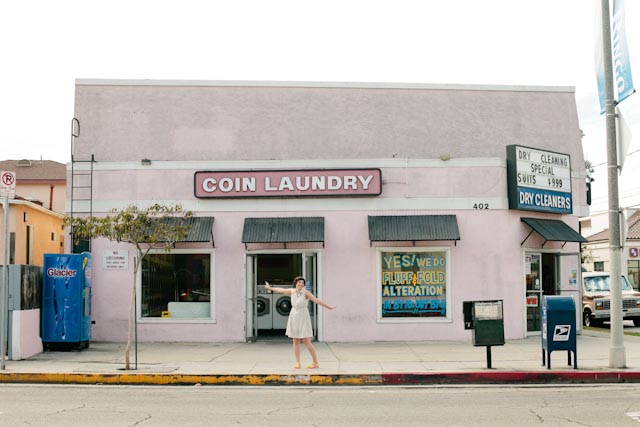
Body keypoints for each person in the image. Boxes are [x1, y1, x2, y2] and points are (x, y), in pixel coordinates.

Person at [265, 276, 335, 369]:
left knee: (306, 341)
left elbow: (316, 300)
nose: (301, 284)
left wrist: (328, 306)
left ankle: (315, 362)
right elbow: (280, 290)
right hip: (294, 315)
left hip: (303, 316)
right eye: (299, 282)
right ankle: (297, 363)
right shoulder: (292, 291)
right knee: (295, 340)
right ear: (295, 283)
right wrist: (270, 288)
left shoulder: (306, 293)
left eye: (302, 283)